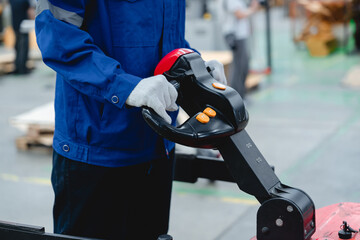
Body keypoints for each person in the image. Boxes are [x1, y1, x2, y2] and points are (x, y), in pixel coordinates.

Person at [34, 1, 226, 240]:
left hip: (157, 144)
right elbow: (58, 36)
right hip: (97, 149)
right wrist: (123, 86)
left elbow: (167, 37)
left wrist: (195, 68)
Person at [223, 0, 259, 99]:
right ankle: (237, 96)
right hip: (236, 37)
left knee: (243, 66)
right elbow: (239, 14)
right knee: (238, 67)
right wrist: (253, 9)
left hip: (242, 36)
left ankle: (242, 94)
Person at [9, 0, 35, 74]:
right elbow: (30, 11)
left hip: (15, 25)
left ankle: (17, 67)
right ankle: (22, 69)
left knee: (17, 47)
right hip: (24, 25)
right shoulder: (24, 1)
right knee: (24, 48)